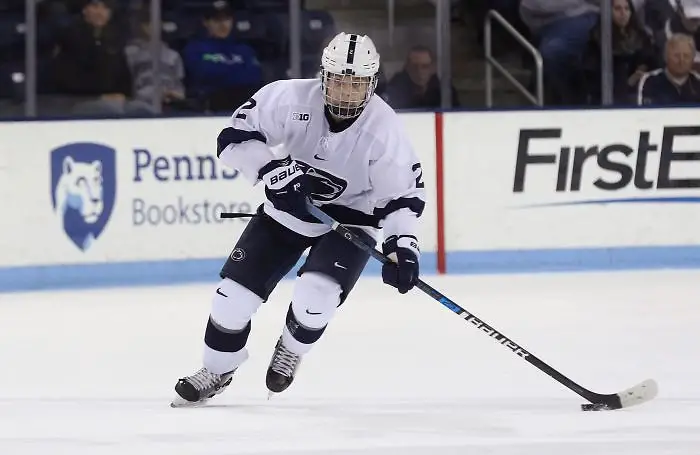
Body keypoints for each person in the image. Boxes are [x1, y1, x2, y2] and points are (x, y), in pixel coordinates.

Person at [171, 32, 427, 407]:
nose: (345, 94)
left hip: (352, 221)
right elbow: (233, 136)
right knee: (231, 299)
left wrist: (403, 246)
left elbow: (401, 196)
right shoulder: (289, 96)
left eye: (356, 84)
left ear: (372, 84)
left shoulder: (384, 128)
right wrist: (272, 170)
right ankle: (217, 369)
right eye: (339, 80)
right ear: (323, 74)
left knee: (317, 296)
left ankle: (290, 349)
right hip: (289, 210)